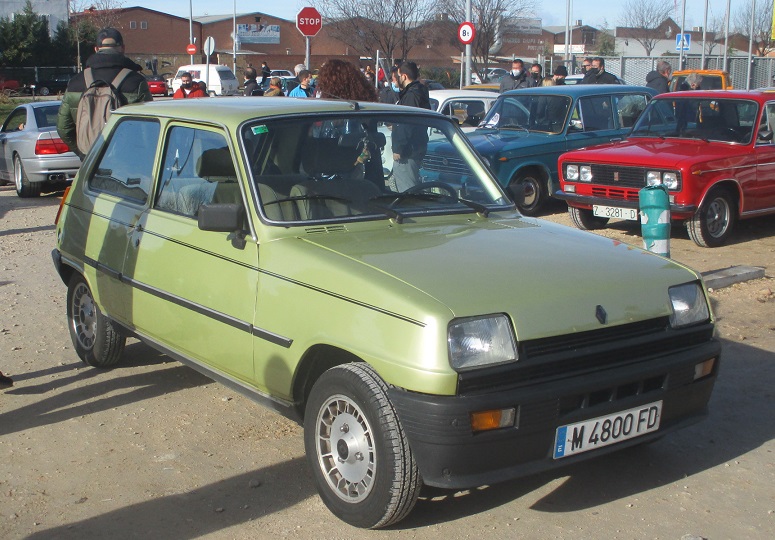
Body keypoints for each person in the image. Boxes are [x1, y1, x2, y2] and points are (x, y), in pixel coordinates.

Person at [56, 27, 152, 158]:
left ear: (96, 49)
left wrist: (83, 153)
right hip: (126, 160)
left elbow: (63, 127)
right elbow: (148, 129)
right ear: (122, 48)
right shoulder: (136, 81)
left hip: (89, 160)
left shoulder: (75, 82)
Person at [392, 61, 431, 191]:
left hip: (408, 152)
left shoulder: (411, 95)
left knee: (407, 190)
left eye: (398, 75)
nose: (397, 79)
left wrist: (399, 148)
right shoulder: (419, 92)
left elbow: (407, 123)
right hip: (416, 146)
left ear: (404, 76)